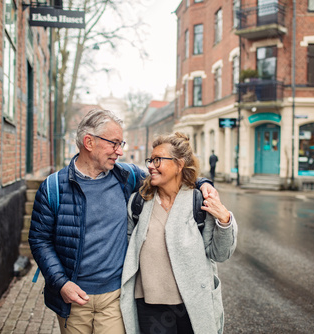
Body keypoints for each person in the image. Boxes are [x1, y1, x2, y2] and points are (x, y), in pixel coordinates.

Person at [28, 110, 217, 334]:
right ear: (89, 142)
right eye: (114, 143)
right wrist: (60, 283)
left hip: (114, 298)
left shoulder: (127, 176)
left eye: (122, 143)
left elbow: (170, 176)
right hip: (73, 299)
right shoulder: (52, 188)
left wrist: (203, 182)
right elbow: (39, 240)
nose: (120, 151)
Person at [120, 132, 237, 334]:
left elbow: (220, 254)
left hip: (191, 305)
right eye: (150, 160)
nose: (150, 165)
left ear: (179, 164)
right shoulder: (138, 203)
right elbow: (129, 253)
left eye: (158, 160)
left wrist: (224, 221)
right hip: (149, 305)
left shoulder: (199, 202)